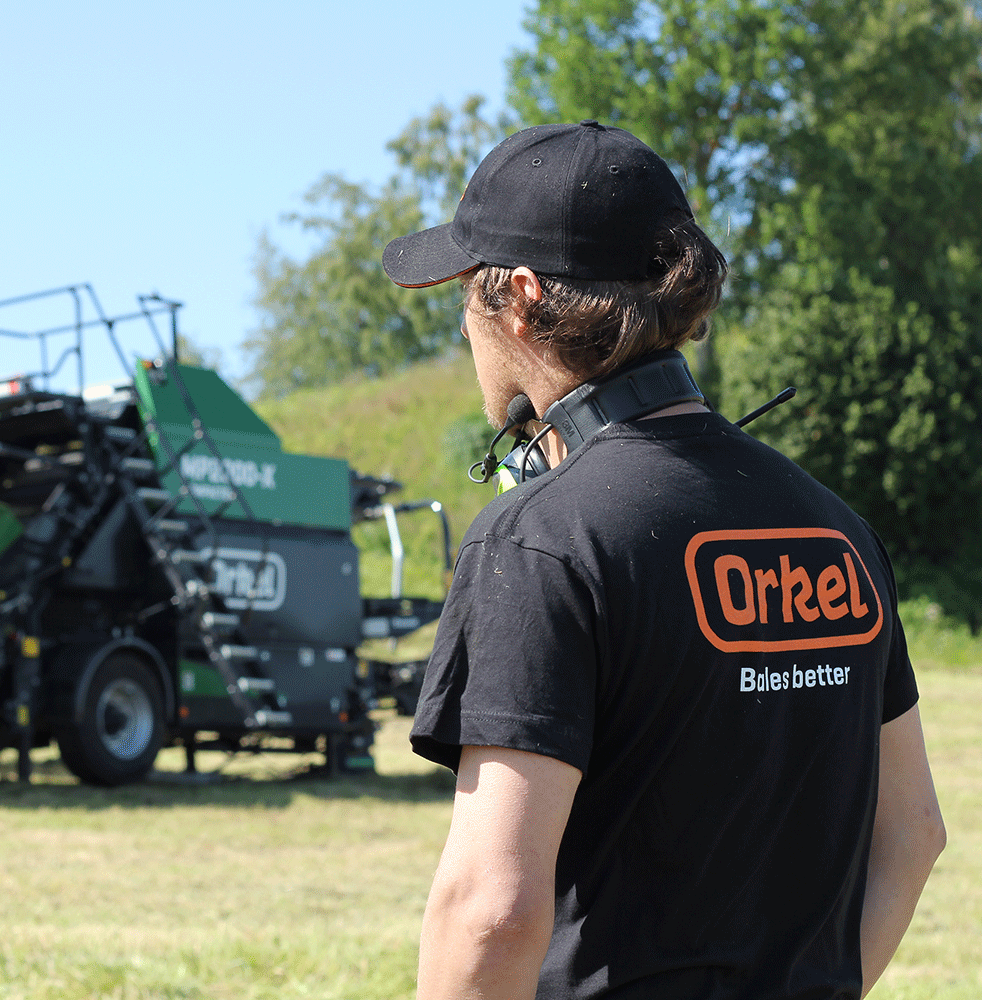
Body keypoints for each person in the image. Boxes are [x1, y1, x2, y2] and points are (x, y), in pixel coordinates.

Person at [382, 120, 946, 1000]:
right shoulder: (839, 530)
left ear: (521, 299)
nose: (464, 329)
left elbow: (491, 912)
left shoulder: (537, 543)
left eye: (465, 297)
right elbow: (913, 835)